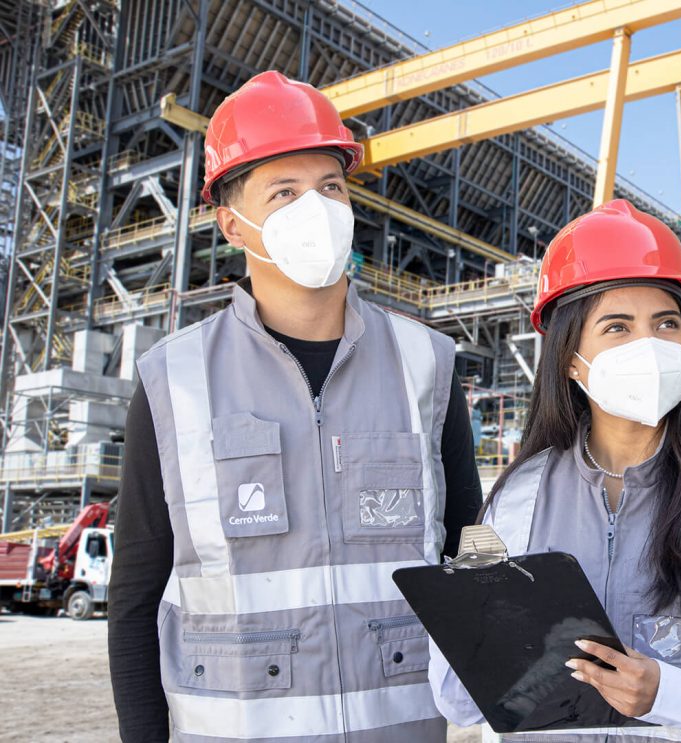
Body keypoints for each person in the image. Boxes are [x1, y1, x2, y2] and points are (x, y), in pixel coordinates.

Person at [107, 71, 483, 741]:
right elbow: (135, 597)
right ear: (231, 222)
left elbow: (471, 557)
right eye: (284, 191)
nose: (318, 209)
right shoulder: (175, 379)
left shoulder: (425, 364)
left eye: (331, 188)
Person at [427, 200, 681, 741]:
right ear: (570, 358)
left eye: (665, 324)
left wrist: (669, 695)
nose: (649, 346)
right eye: (618, 327)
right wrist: (464, 631)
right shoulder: (514, 498)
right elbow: (459, 702)